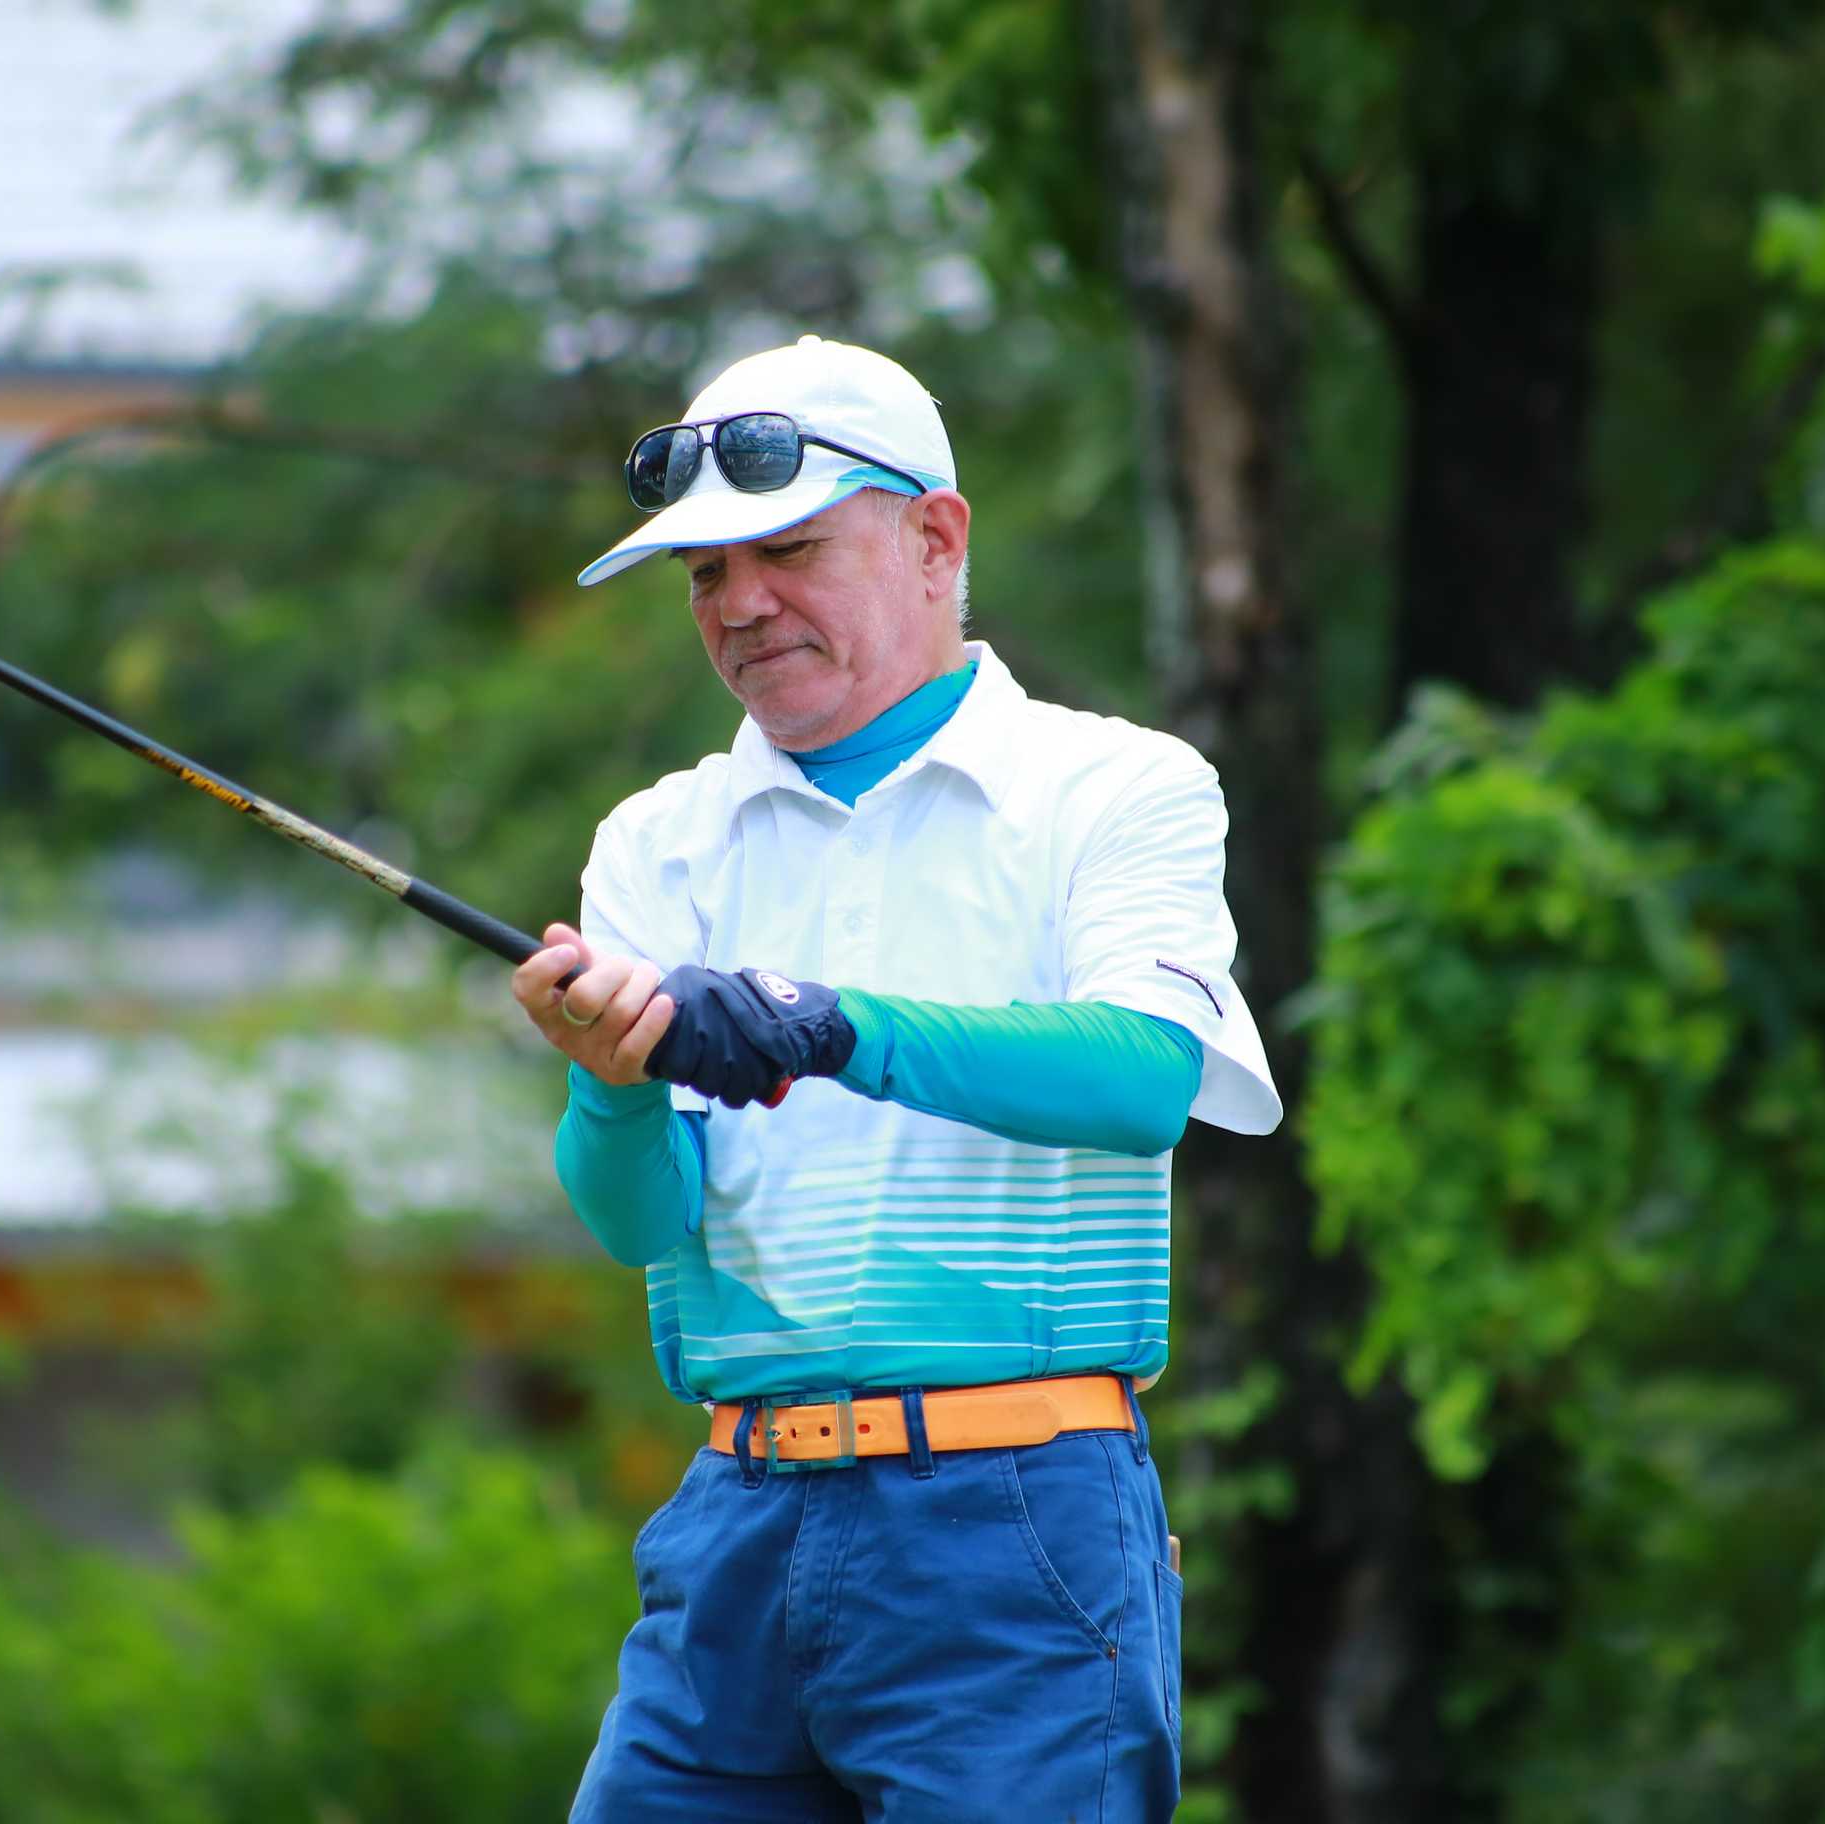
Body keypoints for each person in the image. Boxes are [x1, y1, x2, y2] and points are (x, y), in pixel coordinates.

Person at [510, 333, 1281, 1823]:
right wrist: (610, 1085)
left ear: (936, 539)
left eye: (788, 551)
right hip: (734, 1514)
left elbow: (1144, 1077)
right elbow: (637, 1221)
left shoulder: (1118, 785)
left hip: (1018, 1514)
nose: (740, 604)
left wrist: (823, 1023)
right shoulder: (657, 837)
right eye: (705, 574)